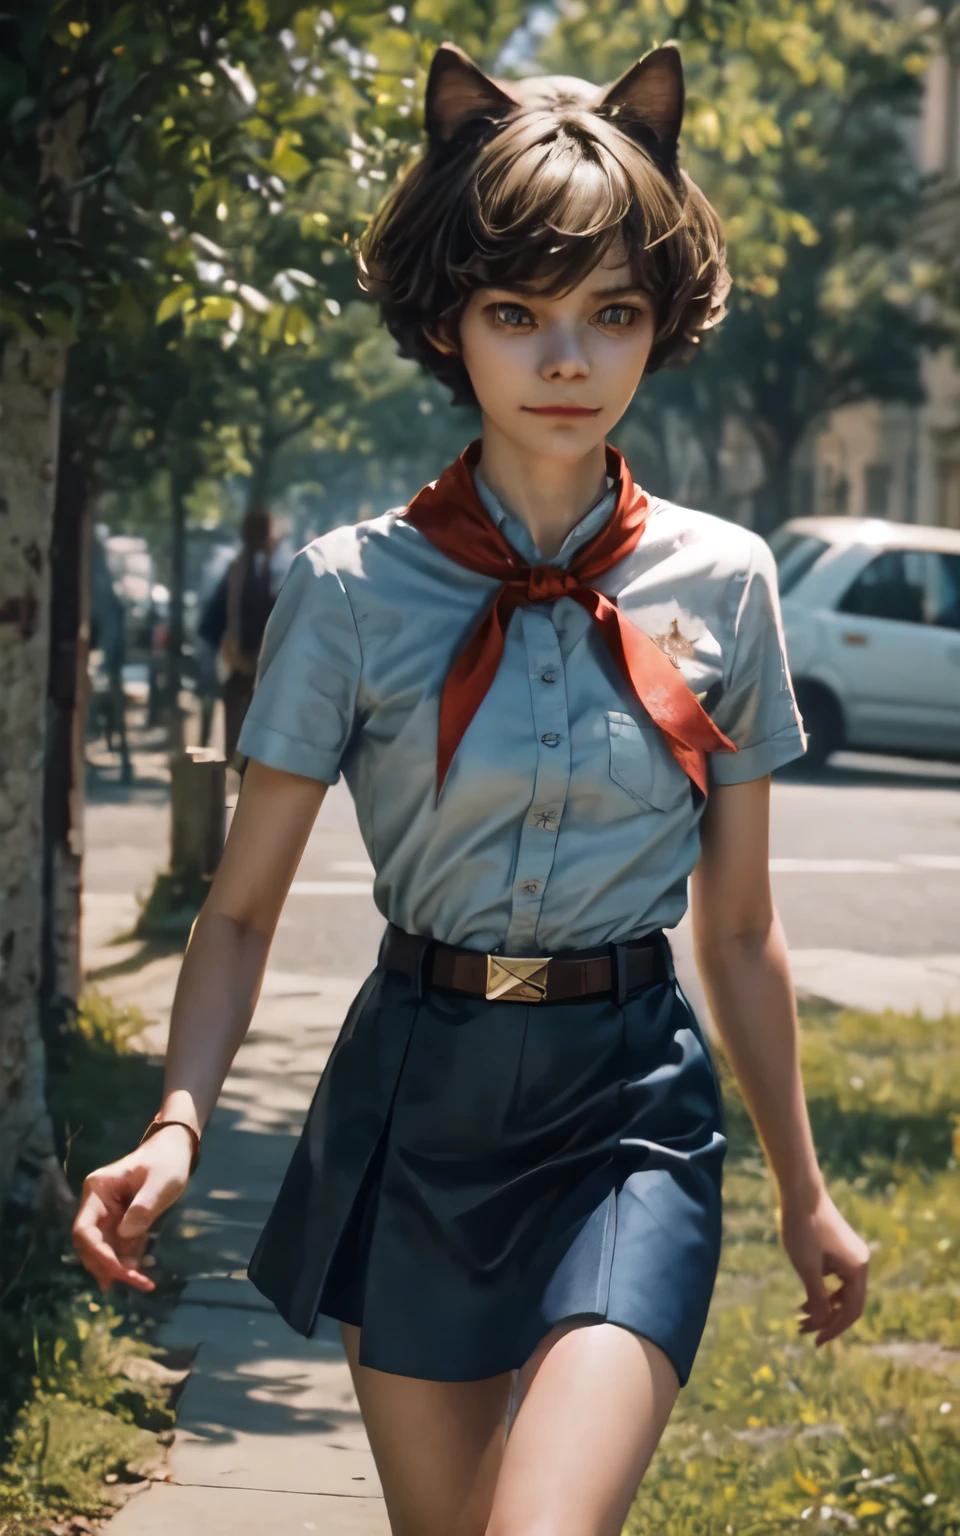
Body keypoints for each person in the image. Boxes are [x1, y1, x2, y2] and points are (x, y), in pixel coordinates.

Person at [72, 43, 870, 1536]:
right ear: (450, 319)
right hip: (414, 1106)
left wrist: (807, 1191)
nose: (567, 359)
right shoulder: (347, 593)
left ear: (659, 324)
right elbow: (240, 915)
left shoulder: (732, 581)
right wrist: (180, 1121)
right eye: (519, 313)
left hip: (631, 1109)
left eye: (610, 314)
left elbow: (744, 931)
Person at [196, 508, 279, 766]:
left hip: (252, 664)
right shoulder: (252, 571)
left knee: (246, 736)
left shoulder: (255, 569)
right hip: (248, 664)